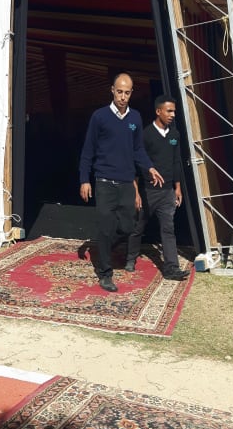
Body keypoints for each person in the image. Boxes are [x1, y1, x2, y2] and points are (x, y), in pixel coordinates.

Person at [79, 73, 164, 292]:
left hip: (126, 182)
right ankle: (105, 273)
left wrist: (150, 167)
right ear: (112, 90)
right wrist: (84, 180)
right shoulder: (99, 117)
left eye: (127, 93)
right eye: (119, 92)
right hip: (104, 182)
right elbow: (88, 150)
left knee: (128, 226)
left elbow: (138, 149)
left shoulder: (135, 118)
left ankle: (105, 242)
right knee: (106, 227)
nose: (123, 97)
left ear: (131, 93)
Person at [125, 94, 191, 281]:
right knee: (138, 227)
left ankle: (171, 269)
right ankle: (130, 258)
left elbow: (176, 161)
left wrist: (177, 188)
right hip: (148, 191)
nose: (172, 115)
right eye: (169, 111)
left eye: (174, 112)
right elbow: (135, 164)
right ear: (158, 111)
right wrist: (136, 192)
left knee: (168, 230)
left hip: (167, 192)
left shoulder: (174, 135)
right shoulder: (145, 135)